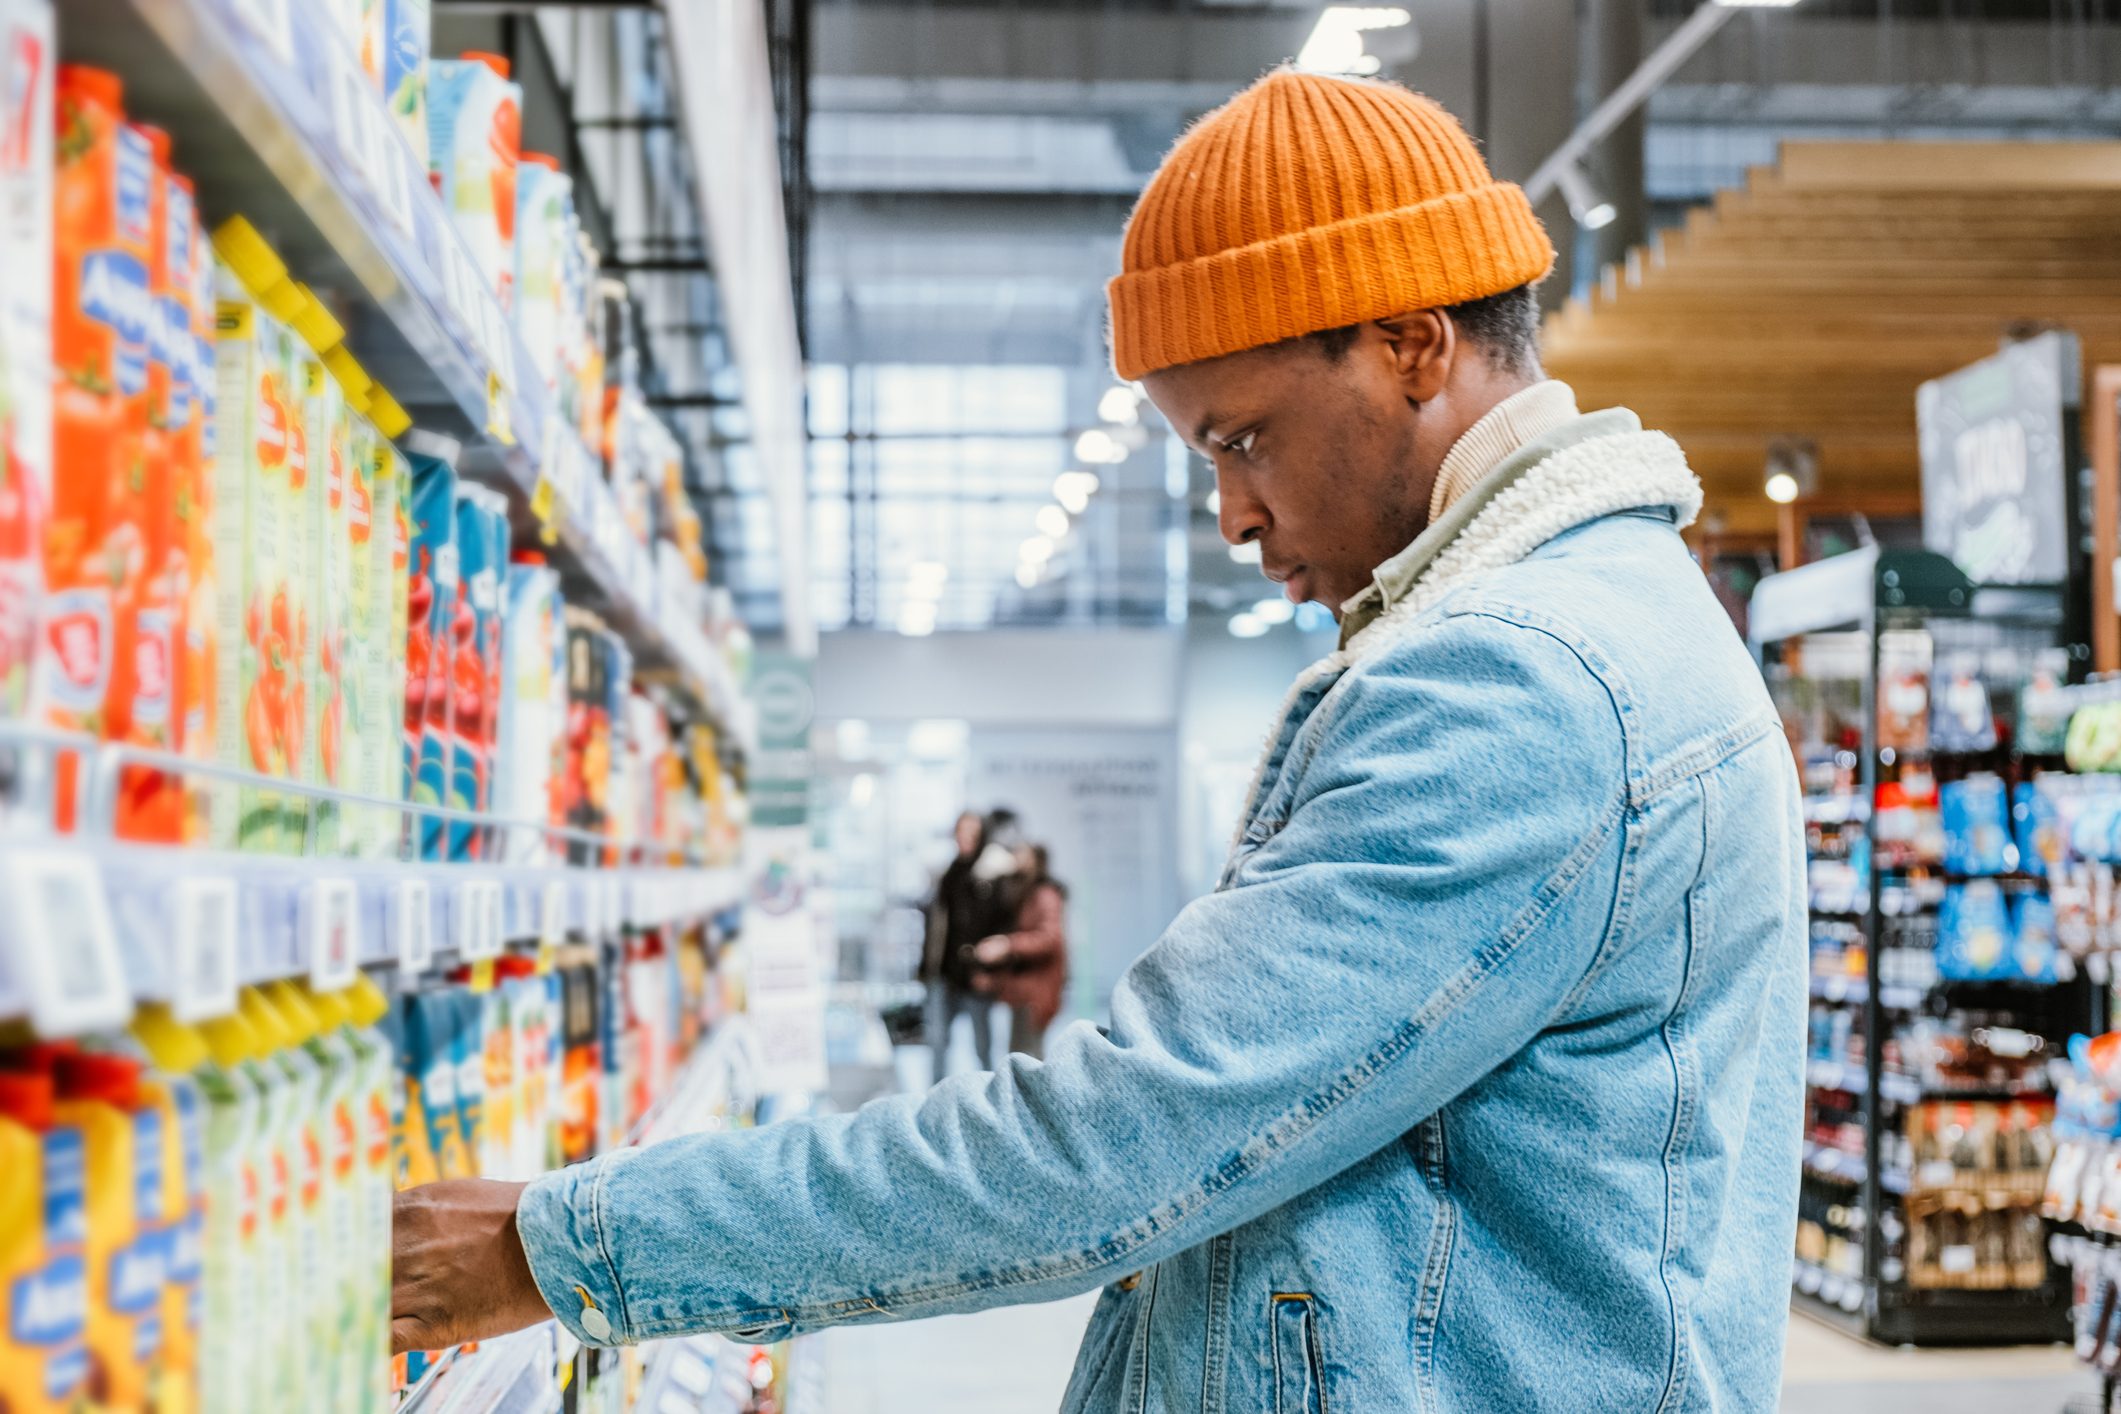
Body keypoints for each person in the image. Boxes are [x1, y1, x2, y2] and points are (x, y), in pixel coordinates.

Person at [390, 69, 1805, 1412]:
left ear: (1412, 345)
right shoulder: (1586, 630)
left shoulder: (1522, 684)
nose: (1232, 516)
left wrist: (566, 1241)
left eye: (1240, 437)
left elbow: (1110, 1141)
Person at [918, 810, 1017, 1077]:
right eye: (960, 832)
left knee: (982, 1046)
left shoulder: (993, 875)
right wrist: (927, 967)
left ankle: (989, 1105)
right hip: (943, 972)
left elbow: (1001, 927)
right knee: (937, 1041)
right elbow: (937, 927)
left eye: (971, 832)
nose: (964, 838)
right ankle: (935, 1105)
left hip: (976, 974)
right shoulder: (950, 874)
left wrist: (989, 970)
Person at [972, 842, 1068, 1060]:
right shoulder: (1023, 893)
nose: (1015, 857)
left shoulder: (1044, 894)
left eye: (1021, 853)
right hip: (1023, 990)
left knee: (1027, 1058)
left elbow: (1050, 939)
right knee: (1019, 1055)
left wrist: (1008, 944)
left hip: (1036, 992)